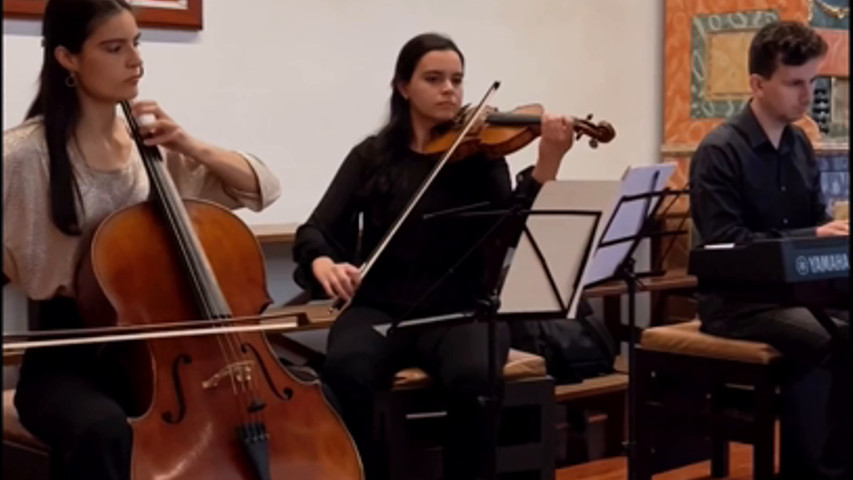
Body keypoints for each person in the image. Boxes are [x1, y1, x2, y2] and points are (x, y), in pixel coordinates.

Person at [2, 1, 281, 478]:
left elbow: (261, 189)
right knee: (104, 430)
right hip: (65, 360)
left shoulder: (152, 149)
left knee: (274, 405)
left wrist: (189, 145)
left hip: (162, 354)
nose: (135, 61)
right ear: (67, 58)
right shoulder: (24, 157)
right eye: (114, 48)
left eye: (136, 43)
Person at [292, 32, 575, 479]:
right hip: (380, 307)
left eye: (457, 80)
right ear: (403, 87)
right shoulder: (372, 157)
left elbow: (512, 230)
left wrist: (549, 162)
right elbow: (317, 229)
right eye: (434, 78)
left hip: (461, 310)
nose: (450, 90)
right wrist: (322, 263)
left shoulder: (481, 155)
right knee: (347, 371)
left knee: (475, 377)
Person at [689, 20, 848, 480]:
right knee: (828, 341)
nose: (807, 93)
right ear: (758, 84)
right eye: (795, 82)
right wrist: (806, 238)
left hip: (794, 294)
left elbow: (812, 220)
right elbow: (724, 245)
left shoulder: (798, 142)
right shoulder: (719, 151)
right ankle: (811, 472)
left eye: (812, 80)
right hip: (737, 303)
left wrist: (828, 230)